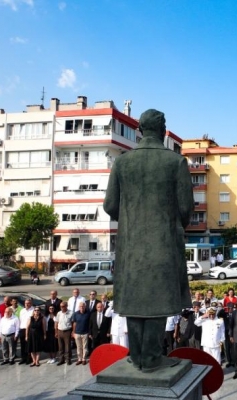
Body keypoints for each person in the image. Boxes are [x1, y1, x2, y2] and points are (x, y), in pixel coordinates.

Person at [103, 108, 194, 371]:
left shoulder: (122, 162)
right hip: (163, 243)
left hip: (131, 246)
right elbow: (186, 207)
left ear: (139, 130)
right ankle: (152, 357)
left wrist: (132, 221)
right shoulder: (175, 162)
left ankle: (139, 355)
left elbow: (110, 205)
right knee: (158, 298)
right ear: (164, 130)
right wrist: (169, 224)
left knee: (135, 298)